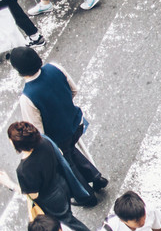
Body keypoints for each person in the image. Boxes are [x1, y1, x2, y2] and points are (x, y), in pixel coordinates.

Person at [11, 46, 107, 200]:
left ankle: (86, 196)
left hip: (60, 138)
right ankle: (95, 176)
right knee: (71, 150)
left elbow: (38, 133)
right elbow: (73, 90)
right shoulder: (55, 67)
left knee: (66, 164)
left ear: (19, 70)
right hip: (77, 122)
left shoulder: (27, 97)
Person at [9, 122, 94, 231]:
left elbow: (34, 195)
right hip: (61, 184)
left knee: (70, 224)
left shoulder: (24, 169)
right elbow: (59, 152)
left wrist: (10, 184)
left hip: (52, 200)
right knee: (68, 220)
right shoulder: (44, 141)